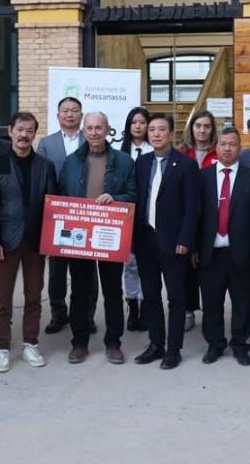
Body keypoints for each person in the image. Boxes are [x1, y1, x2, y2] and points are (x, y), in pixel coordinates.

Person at [59, 112, 137, 365]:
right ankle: (79, 342)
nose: (94, 132)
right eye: (89, 128)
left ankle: (113, 342)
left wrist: (116, 199)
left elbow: (133, 193)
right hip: (80, 237)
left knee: (113, 291)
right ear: (84, 130)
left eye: (98, 127)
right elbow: (62, 197)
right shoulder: (71, 162)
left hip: (109, 235)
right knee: (80, 291)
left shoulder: (124, 162)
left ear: (107, 129)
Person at [0, 112, 57, 373]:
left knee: (34, 296)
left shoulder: (44, 165)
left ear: (34, 134)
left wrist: (51, 239)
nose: (24, 135)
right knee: (2, 298)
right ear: (10, 131)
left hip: (36, 240)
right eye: (20, 129)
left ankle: (30, 343)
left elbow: (52, 205)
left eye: (29, 130)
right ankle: (1, 347)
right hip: (5, 240)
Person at [134, 113, 200, 369]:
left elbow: (192, 207)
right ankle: (155, 344)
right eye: (152, 130)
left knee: (175, 297)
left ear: (171, 133)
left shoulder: (185, 165)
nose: (156, 134)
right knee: (150, 295)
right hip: (144, 239)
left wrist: (185, 239)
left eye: (162, 129)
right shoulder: (141, 163)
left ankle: (173, 349)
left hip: (174, 242)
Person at [195, 126, 250, 366]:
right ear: (217, 146)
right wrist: (195, 247)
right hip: (210, 252)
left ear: (240, 147)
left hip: (242, 251)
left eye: (232, 144)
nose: (227, 148)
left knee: (242, 303)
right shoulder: (203, 177)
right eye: (223, 144)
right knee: (212, 303)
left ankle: (240, 345)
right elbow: (197, 215)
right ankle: (215, 344)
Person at [37, 96, 84, 334]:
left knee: (84, 270)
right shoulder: (46, 143)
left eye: (74, 110)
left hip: (86, 214)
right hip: (56, 214)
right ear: (58, 116)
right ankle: (58, 314)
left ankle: (85, 314)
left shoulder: (91, 140)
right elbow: (42, 176)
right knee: (57, 269)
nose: (69, 114)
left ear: (81, 116)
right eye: (65, 110)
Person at [180, 109, 218, 332]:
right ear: (191, 128)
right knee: (186, 268)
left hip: (212, 217)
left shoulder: (219, 152)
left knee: (209, 268)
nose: (202, 130)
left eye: (207, 126)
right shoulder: (182, 153)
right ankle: (188, 310)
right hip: (188, 216)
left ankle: (211, 312)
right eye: (198, 126)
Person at [120, 106, 152, 332]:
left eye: (142, 122)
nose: (138, 126)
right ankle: (133, 306)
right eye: (134, 123)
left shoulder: (155, 149)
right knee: (130, 264)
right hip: (127, 215)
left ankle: (149, 306)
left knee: (148, 264)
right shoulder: (120, 152)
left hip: (149, 215)